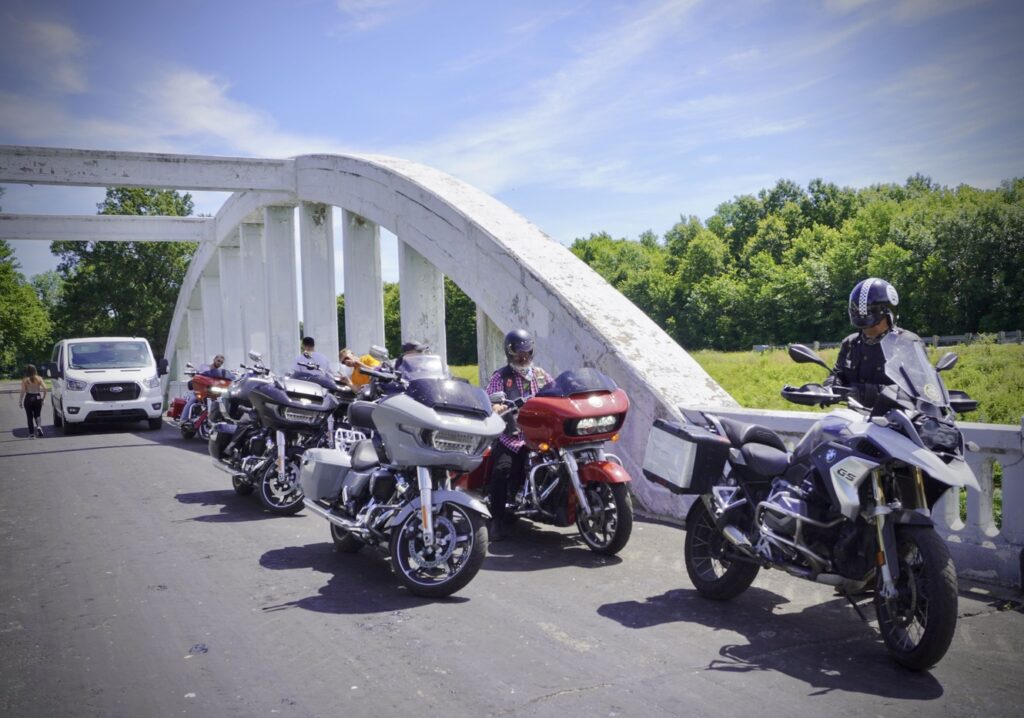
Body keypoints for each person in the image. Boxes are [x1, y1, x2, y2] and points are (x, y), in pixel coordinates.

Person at [484, 329, 552, 541]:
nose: (523, 357)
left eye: (526, 353)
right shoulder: (501, 377)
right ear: (509, 353)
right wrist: (496, 406)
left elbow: (557, 391)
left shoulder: (541, 375)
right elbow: (490, 400)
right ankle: (496, 520)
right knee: (501, 470)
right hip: (512, 437)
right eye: (518, 354)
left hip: (540, 436)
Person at [825, 277, 920, 405]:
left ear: (888, 316)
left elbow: (914, 390)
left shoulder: (907, 343)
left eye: (872, 323)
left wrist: (863, 393)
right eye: (862, 325)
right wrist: (829, 389)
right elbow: (837, 375)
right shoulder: (850, 343)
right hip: (857, 418)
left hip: (897, 420)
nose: (866, 329)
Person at [182, 354, 227, 425]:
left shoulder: (219, 373)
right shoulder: (205, 367)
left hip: (212, 393)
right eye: (218, 361)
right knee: (193, 399)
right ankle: (183, 419)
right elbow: (199, 375)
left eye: (221, 362)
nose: (219, 363)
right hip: (201, 390)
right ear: (214, 359)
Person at [19, 364, 47, 438]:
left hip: (29, 397)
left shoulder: (25, 380)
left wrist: (20, 401)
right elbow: (45, 388)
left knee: (29, 416)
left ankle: (31, 433)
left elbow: (23, 391)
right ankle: (39, 427)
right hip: (37, 397)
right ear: (35, 370)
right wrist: (43, 398)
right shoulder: (39, 378)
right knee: (37, 414)